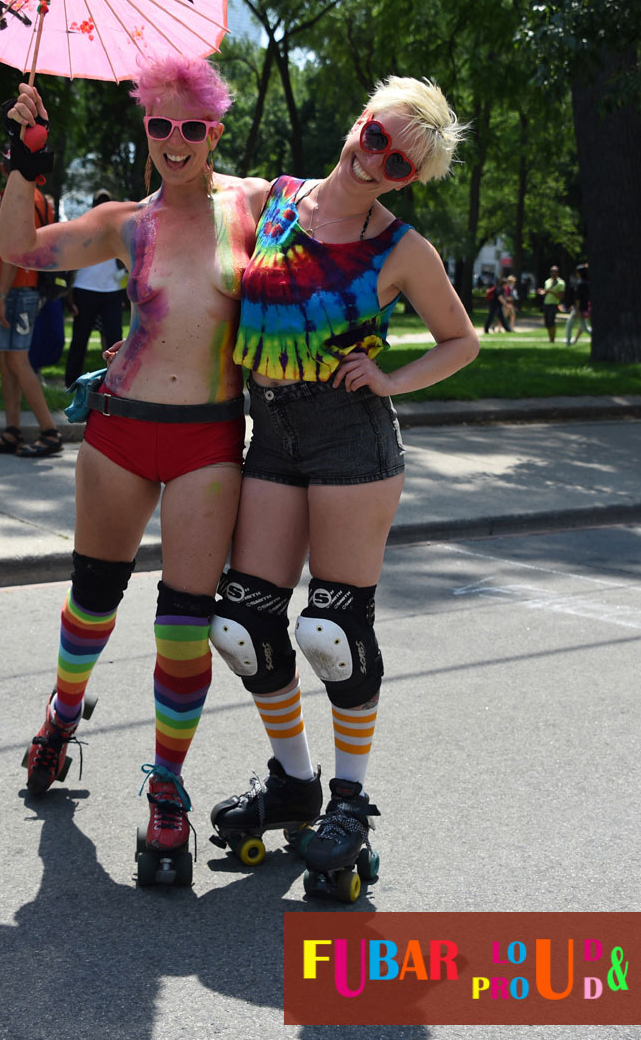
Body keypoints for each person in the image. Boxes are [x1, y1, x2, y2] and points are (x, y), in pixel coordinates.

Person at [206, 76, 479, 899]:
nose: (379, 162)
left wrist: (390, 378)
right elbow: (181, 188)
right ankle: (296, 781)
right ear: (359, 122)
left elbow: (460, 340)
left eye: (399, 164)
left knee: (332, 630)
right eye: (377, 138)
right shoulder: (273, 200)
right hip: (272, 433)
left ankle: (352, 802)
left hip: (350, 437)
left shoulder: (403, 248)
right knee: (242, 624)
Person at [0, 57, 268, 868]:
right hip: (120, 431)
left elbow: (345, 203)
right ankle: (62, 715)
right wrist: (25, 155)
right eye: (160, 125)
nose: (176, 140)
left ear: (215, 130)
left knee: (183, 623)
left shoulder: (256, 203)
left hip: (209, 440)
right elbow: (20, 247)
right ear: (144, 129)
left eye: (192, 126)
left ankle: (165, 794)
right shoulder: (126, 221)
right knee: (92, 602)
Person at [0, 161, 62, 458]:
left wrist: (0, 295)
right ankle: (12, 431)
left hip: (18, 289)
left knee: (17, 361)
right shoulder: (35, 197)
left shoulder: (20, 198)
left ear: (4, 167)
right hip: (19, 288)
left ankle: (49, 431)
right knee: (5, 359)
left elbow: (13, 251)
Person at [63, 189, 127, 389]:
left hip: (112, 290)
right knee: (79, 340)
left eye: (106, 202)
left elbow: (126, 260)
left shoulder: (118, 228)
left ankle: (116, 383)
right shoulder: (83, 226)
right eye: (99, 202)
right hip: (85, 289)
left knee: (115, 341)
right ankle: (71, 383)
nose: (102, 206)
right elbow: (71, 261)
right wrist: (69, 294)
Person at [565, 263, 591, 346]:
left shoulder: (580, 284)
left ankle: (568, 343)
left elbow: (578, 299)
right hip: (584, 307)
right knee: (584, 327)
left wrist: (576, 309)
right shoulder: (587, 283)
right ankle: (568, 342)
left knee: (570, 325)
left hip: (579, 308)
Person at [537, 265, 565, 343]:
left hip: (554, 304)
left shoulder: (561, 283)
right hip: (546, 303)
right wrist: (542, 292)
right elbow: (546, 292)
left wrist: (552, 292)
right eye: (552, 271)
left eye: (555, 271)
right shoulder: (547, 281)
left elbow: (561, 296)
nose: (553, 273)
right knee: (547, 323)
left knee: (551, 322)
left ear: (558, 272)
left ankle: (552, 339)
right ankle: (550, 338)